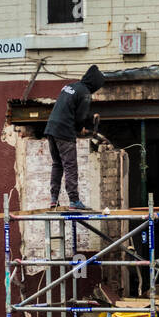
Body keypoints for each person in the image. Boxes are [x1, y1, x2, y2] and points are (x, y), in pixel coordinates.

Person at [45, 64, 106, 212]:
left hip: (51, 128)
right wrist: (80, 129)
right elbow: (79, 118)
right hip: (64, 131)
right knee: (70, 166)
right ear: (95, 83)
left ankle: (53, 199)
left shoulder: (70, 86)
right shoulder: (85, 93)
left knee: (57, 164)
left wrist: (90, 118)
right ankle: (74, 200)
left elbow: (70, 109)